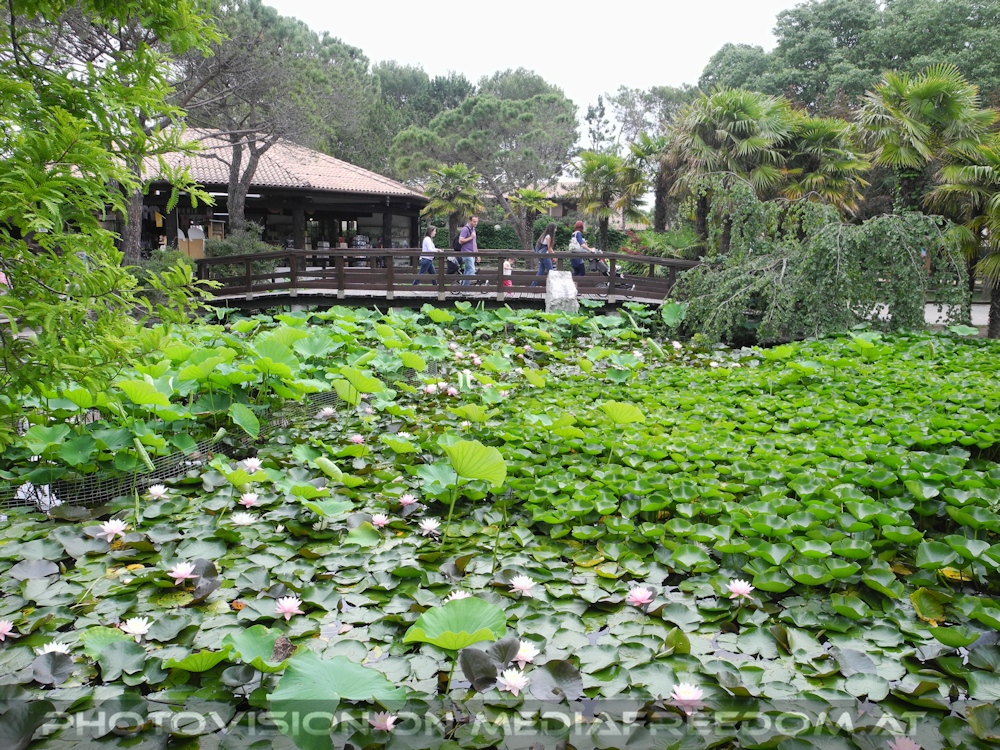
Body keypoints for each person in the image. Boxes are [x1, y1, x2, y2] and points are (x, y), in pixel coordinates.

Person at [531, 222, 557, 286]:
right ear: (552, 229)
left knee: (540, 271)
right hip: (545, 256)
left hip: (541, 256)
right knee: (551, 271)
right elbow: (549, 248)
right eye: (555, 228)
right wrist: (554, 256)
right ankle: (553, 286)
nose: (556, 230)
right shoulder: (548, 237)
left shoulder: (544, 235)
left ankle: (533, 285)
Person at [458, 215, 478, 285]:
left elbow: (474, 243)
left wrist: (477, 254)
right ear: (469, 221)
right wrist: (471, 237)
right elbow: (460, 241)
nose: (476, 223)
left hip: (472, 253)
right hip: (466, 253)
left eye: (476, 222)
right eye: (474, 221)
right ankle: (465, 288)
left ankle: (463, 286)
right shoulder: (465, 229)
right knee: (472, 270)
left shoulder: (473, 229)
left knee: (467, 271)